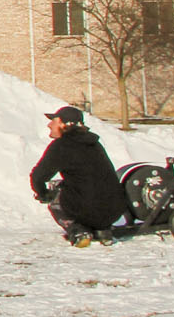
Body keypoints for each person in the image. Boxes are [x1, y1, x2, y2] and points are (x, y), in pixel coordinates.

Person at [29, 105, 127, 246]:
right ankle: (103, 231)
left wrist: (43, 194)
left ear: (63, 124)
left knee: (56, 196)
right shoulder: (94, 144)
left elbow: (38, 177)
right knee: (86, 187)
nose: (49, 124)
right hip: (113, 211)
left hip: (86, 210)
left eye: (53, 121)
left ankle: (78, 231)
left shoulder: (62, 146)